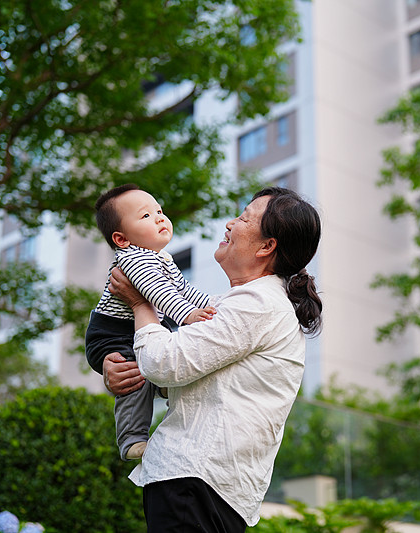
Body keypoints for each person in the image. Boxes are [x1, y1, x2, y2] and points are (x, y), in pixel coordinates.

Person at [103, 186, 322, 531]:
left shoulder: (257, 305)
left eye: (244, 218)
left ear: (267, 247)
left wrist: (140, 303)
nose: (230, 224)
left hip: (198, 481)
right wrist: (122, 371)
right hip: (202, 482)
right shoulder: (236, 303)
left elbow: (163, 363)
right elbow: (183, 378)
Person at [85, 183, 216, 461]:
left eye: (159, 211)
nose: (159, 218)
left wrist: (210, 306)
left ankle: (164, 384)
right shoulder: (133, 259)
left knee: (155, 359)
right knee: (133, 378)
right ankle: (131, 438)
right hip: (111, 334)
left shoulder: (161, 258)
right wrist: (188, 316)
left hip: (134, 329)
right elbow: (160, 294)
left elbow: (183, 289)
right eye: (145, 216)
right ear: (121, 239)